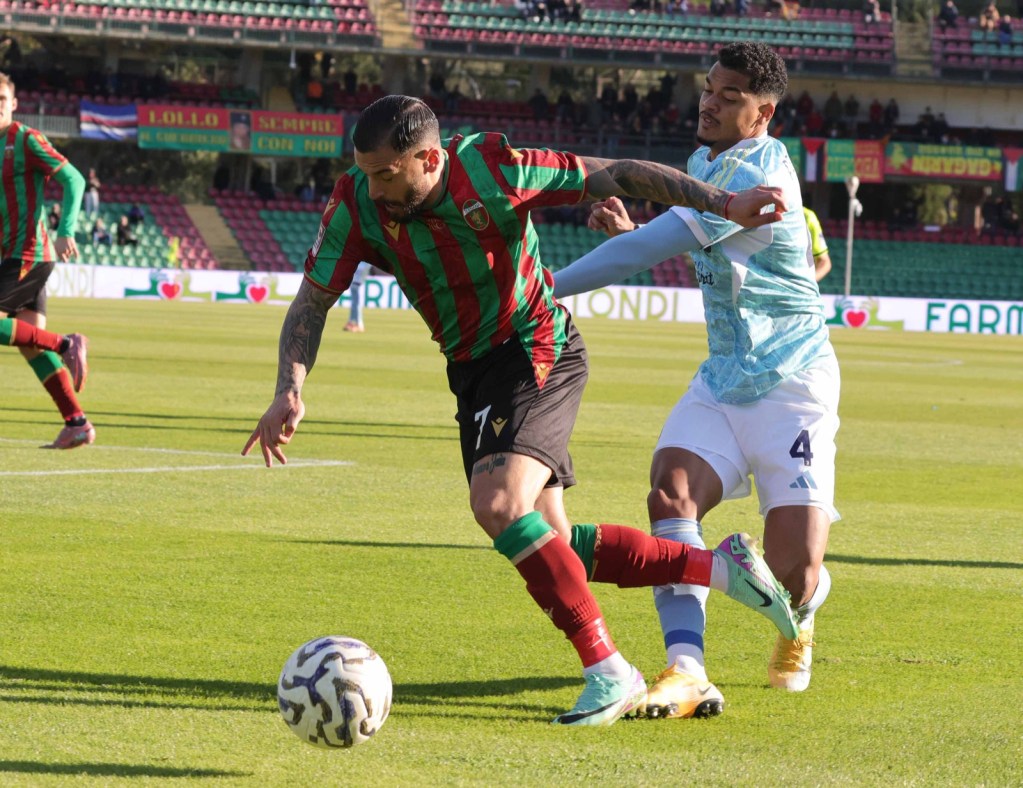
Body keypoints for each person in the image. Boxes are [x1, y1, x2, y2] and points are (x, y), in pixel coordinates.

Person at [243, 94, 799, 727]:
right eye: (366, 172)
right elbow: (312, 302)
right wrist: (290, 385)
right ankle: (720, 569)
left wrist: (724, 203)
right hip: (471, 372)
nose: (374, 188)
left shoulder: (492, 168)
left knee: (498, 503)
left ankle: (608, 671)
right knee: (554, 540)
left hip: (537, 346)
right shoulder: (355, 204)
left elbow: (616, 171)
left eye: (386, 174)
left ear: (429, 157)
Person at [552, 42, 841, 719]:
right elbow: (687, 243)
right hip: (721, 378)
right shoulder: (707, 164)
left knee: (792, 576)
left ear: (762, 111)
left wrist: (540, 291)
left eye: (729, 94)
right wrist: (639, 225)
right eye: (708, 88)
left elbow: (647, 249)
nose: (709, 101)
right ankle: (685, 669)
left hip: (791, 382)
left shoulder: (760, 174)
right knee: (670, 492)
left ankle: (802, 613)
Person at [0, 71, 94, 449]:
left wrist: (66, 229)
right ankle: (77, 423)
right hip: (13, 255)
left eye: (1, 100)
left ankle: (66, 343)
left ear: (14, 104)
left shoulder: (23, 139)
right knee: (29, 343)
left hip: (29, 254)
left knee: (40, 342)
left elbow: (73, 179)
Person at [804, 206, 831, 281]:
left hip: (798, 290)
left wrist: (809, 284)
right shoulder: (768, 210)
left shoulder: (807, 217)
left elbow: (824, 262)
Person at [343, 261, 371, 333]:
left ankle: (359, 324)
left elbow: (364, 269)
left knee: (356, 302)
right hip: (355, 280)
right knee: (354, 302)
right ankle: (351, 322)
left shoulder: (365, 262)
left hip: (358, 280)